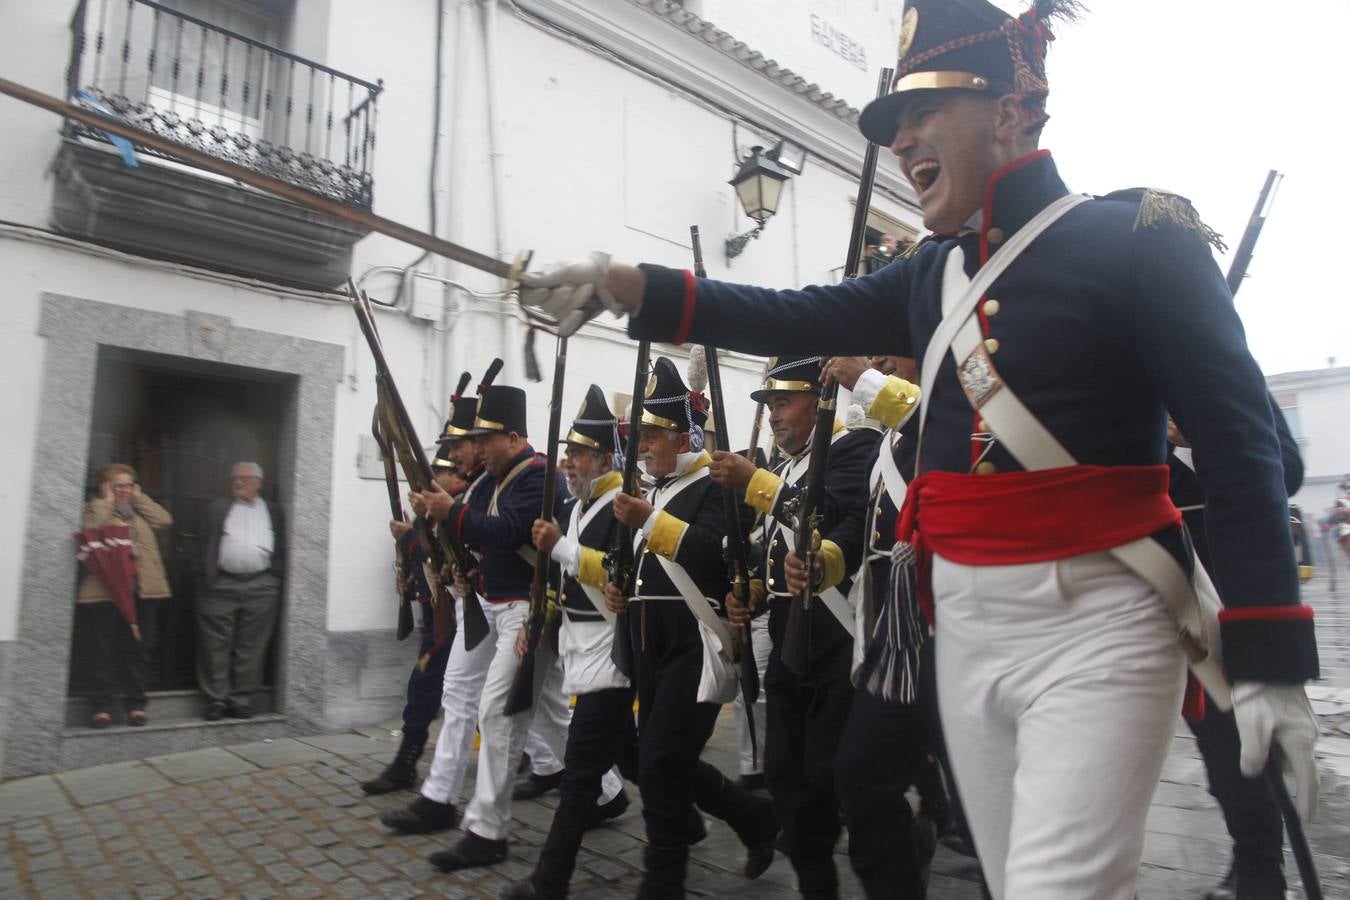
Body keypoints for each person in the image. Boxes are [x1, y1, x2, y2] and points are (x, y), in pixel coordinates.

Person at [516, 1, 1320, 895]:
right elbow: (788, 313)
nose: (903, 141)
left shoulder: (1140, 238)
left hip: (1102, 614)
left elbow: (1245, 449)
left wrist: (1270, 660)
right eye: (897, 124)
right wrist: (627, 284)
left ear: (1011, 111)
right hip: (962, 622)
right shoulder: (929, 274)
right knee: (1016, 878)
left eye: (924, 113)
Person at [604, 357, 778, 899]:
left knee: (658, 760)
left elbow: (714, 557)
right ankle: (751, 815)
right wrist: (620, 586)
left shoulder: (716, 485)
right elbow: (635, 566)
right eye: (642, 435)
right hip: (648, 640)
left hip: (695, 640)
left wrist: (649, 523)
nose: (645, 445)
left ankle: (663, 885)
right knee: (661, 758)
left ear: (683, 437)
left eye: (654, 435)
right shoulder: (651, 491)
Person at [709, 356, 878, 899]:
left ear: (819, 400)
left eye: (784, 402)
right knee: (787, 779)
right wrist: (753, 594)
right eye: (772, 405)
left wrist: (753, 481)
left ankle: (898, 844)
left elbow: (828, 518)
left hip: (838, 638)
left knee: (833, 775)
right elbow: (773, 556)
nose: (775, 415)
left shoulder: (854, 447)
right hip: (787, 636)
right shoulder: (784, 468)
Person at [412, 382, 571, 873]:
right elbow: (482, 538)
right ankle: (605, 790)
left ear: (515, 437)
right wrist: (464, 565)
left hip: (528, 612)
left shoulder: (539, 478)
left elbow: (508, 533)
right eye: (475, 440)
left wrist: (451, 512)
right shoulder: (487, 480)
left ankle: (487, 830)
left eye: (486, 439)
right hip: (491, 605)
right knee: (493, 700)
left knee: (500, 713)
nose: (476, 449)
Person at [502, 385, 636, 899]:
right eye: (567, 453)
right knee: (645, 762)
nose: (566, 462)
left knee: (579, 773)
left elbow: (617, 574)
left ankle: (548, 880)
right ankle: (745, 818)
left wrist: (558, 546)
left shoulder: (620, 506)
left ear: (603, 458)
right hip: (582, 648)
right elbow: (567, 583)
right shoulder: (583, 507)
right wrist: (546, 626)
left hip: (611, 653)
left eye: (577, 453)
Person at [1169, 403, 1303, 900]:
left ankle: (1261, 871)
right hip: (1156, 593)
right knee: (1213, 748)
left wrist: (1202, 435)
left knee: (1239, 745)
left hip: (1232, 592)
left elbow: (1286, 469)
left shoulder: (1227, 386)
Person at [361, 433, 460, 796]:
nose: (432, 478)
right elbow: (429, 564)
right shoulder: (433, 511)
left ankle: (406, 765)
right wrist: (409, 578)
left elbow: (446, 557)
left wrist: (408, 540)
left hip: (454, 619)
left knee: (425, 690)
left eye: (440, 472)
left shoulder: (457, 506)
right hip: (435, 617)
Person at [75, 463, 174, 728]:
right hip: (105, 594)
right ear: (106, 486)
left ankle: (136, 705)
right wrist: (106, 501)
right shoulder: (96, 510)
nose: (124, 491)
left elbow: (164, 520)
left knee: (139, 651)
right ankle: (101, 707)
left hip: (142, 592)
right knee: (102, 650)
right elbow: (92, 529)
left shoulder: (139, 514)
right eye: (118, 485)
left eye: (128, 485)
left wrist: (139, 498)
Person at [197, 461, 286, 721]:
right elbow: (202, 543)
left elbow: (282, 542)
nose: (238, 482)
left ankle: (242, 699)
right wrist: (204, 578)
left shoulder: (273, 510)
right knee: (214, 645)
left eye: (245, 478)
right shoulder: (217, 508)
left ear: (258, 482)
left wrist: (275, 576)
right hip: (221, 585)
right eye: (235, 477)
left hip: (261, 585)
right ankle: (216, 700)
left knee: (252, 646)